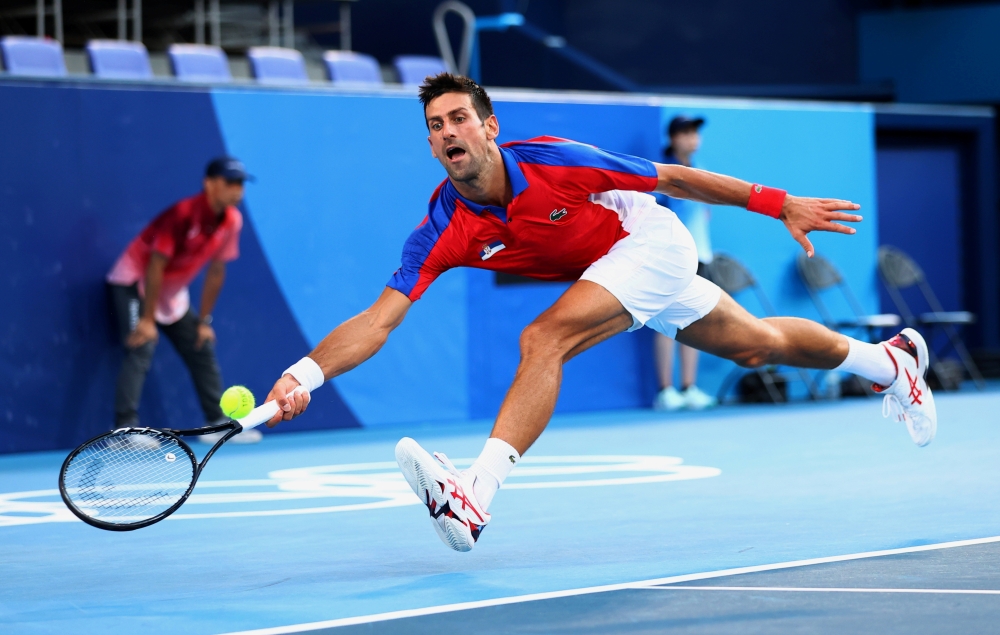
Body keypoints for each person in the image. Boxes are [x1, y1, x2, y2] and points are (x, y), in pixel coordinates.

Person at [262, 74, 936, 552]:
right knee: (756, 344)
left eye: (459, 118)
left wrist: (777, 200)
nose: (448, 132)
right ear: (433, 147)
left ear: (490, 127)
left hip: (648, 241)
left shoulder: (558, 162)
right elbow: (379, 319)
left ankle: (475, 495)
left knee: (543, 338)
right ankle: (889, 361)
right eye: (435, 127)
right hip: (610, 273)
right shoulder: (442, 227)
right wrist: (304, 374)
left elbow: (672, 177)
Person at [106, 157, 262, 444]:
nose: (237, 190)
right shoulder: (182, 214)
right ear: (209, 184)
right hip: (132, 283)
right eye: (230, 182)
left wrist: (203, 321)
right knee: (142, 346)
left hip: (170, 293)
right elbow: (155, 266)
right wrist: (147, 319)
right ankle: (124, 429)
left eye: (240, 183)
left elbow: (216, 271)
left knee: (201, 345)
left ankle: (216, 422)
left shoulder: (232, 222)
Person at [652, 115, 716, 411]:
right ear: (674, 138)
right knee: (666, 324)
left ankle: (689, 387)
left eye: (696, 133)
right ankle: (666, 391)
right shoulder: (663, 174)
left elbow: (704, 215)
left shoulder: (701, 172)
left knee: (694, 323)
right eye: (687, 133)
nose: (694, 139)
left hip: (700, 257)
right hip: (669, 258)